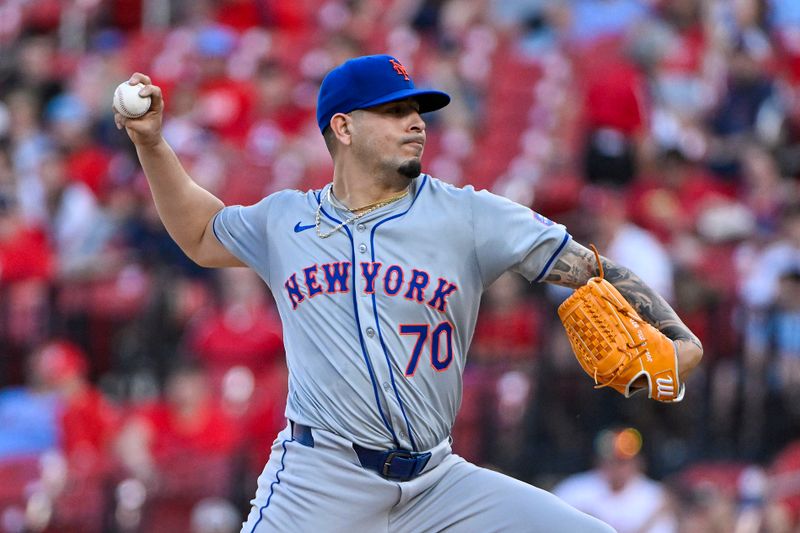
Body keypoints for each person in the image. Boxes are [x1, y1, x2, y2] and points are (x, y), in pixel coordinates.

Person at [114, 54, 703, 532]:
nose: (417, 122)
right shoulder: (284, 222)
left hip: (437, 483)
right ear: (342, 127)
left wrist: (677, 336)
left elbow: (589, 268)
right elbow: (198, 230)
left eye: (418, 111)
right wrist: (152, 146)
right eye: (394, 112)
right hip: (322, 481)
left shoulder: (469, 214)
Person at [553, 427, 678, 533]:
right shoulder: (575, 489)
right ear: (598, 461)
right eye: (610, 460)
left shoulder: (655, 496)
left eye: (622, 462)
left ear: (638, 462)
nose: (616, 468)